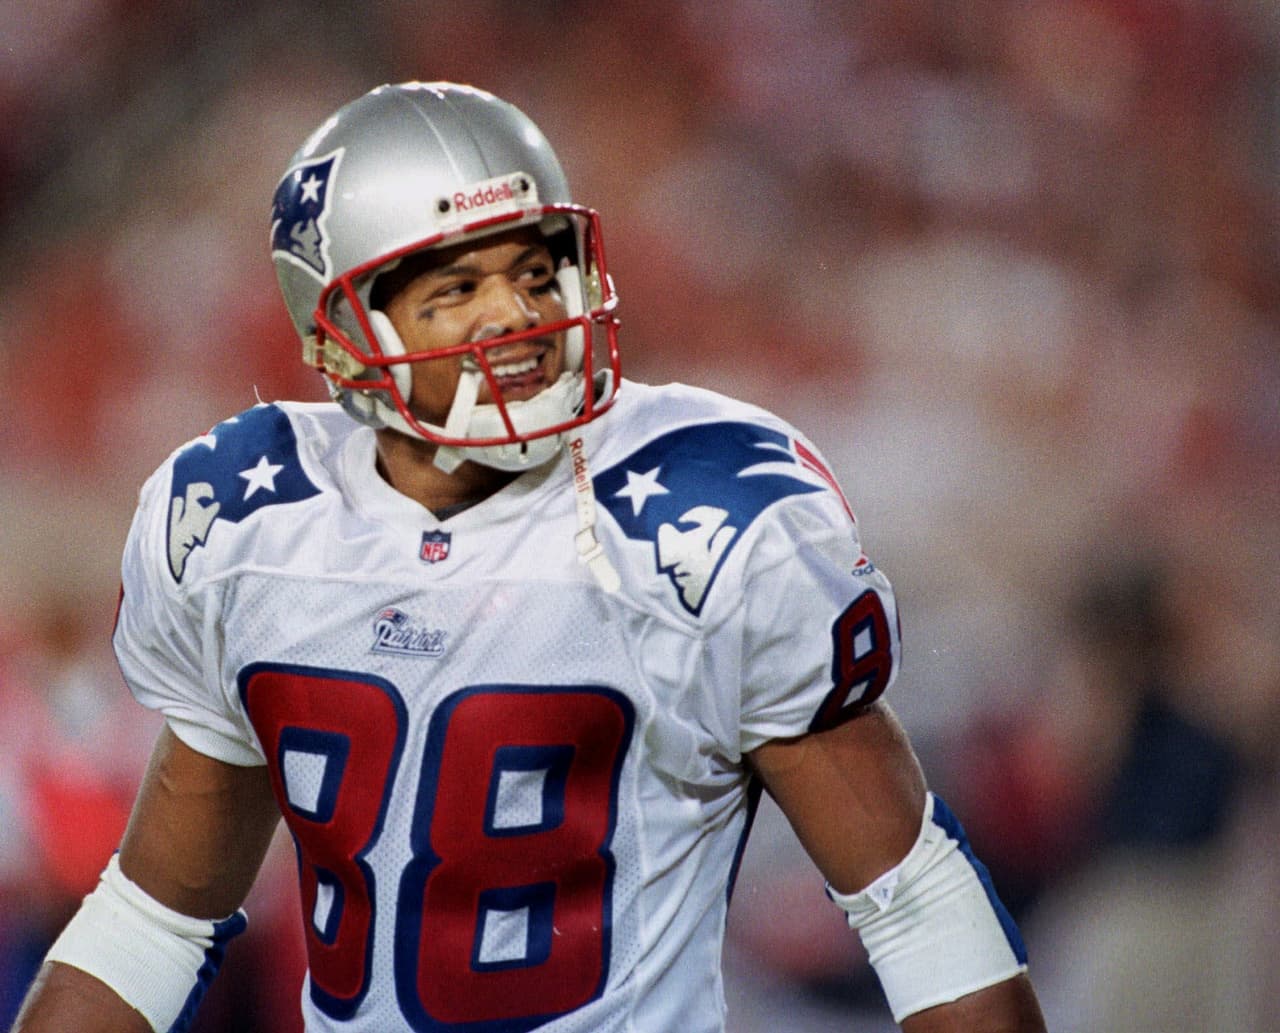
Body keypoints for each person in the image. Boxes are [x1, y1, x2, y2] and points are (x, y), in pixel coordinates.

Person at [11, 82, 1045, 1033]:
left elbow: (911, 905)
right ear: (338, 334)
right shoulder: (250, 518)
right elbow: (154, 918)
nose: (515, 313)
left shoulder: (702, 520)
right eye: (456, 286)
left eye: (534, 269)